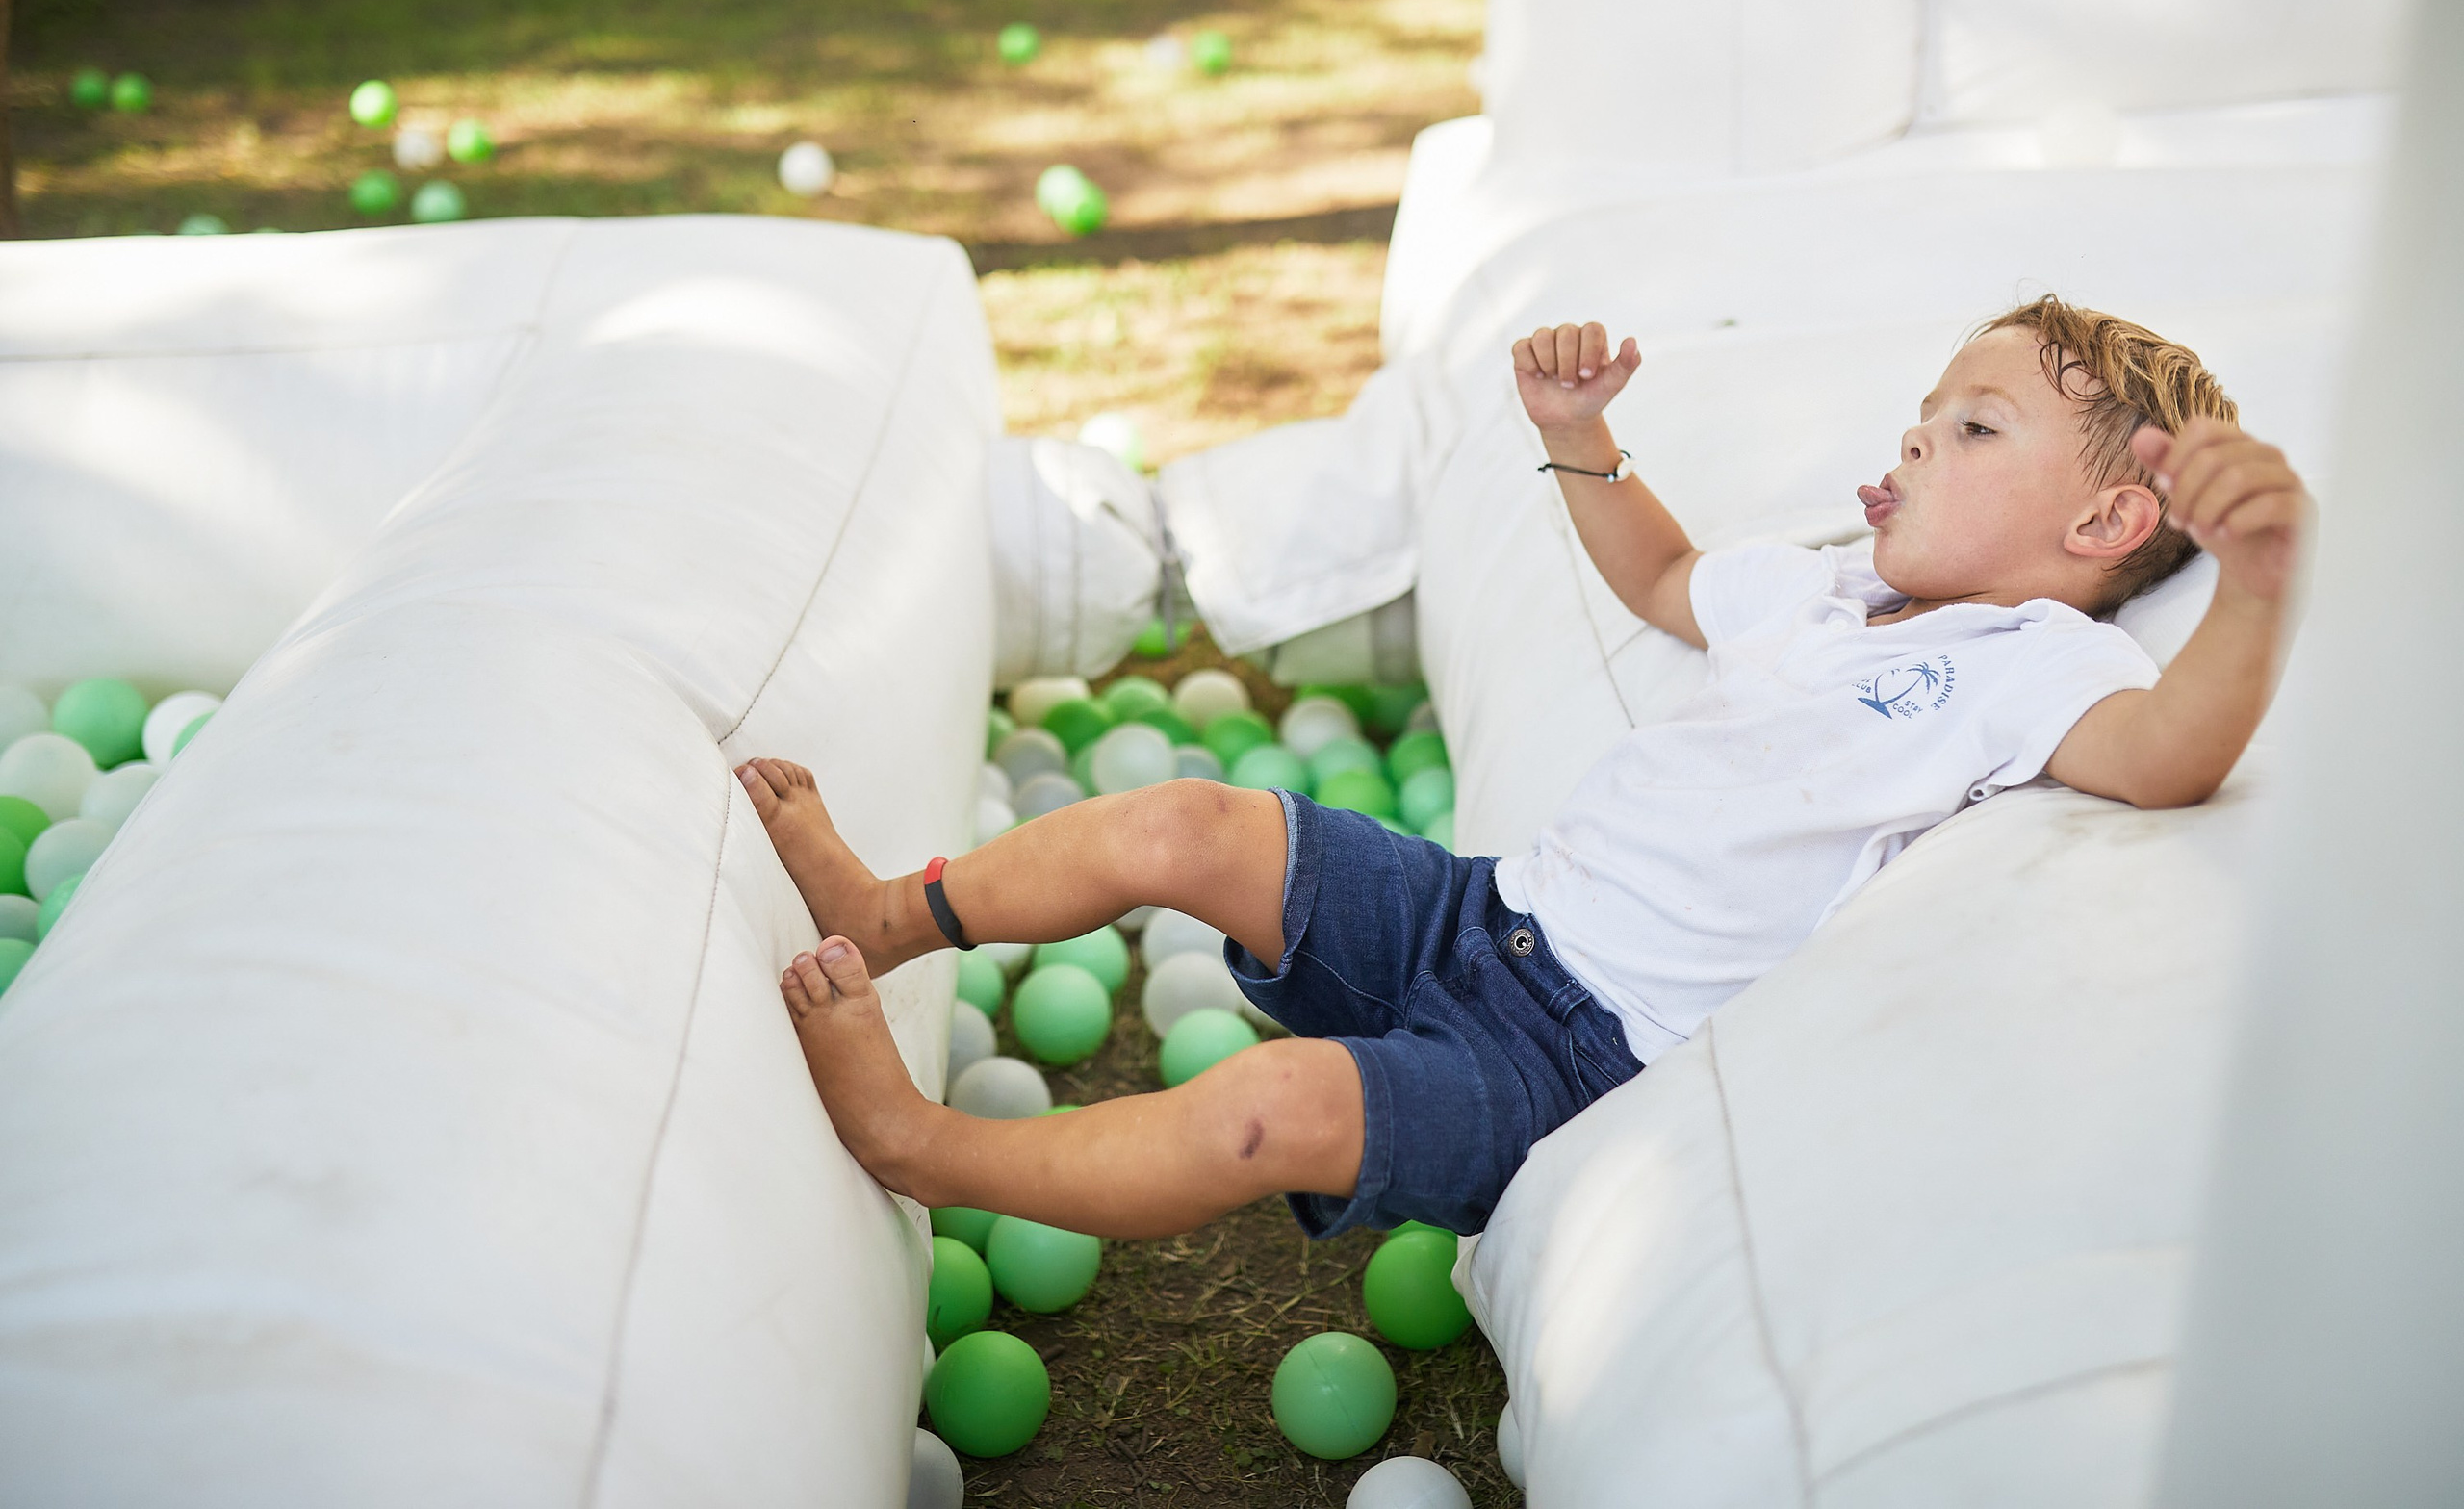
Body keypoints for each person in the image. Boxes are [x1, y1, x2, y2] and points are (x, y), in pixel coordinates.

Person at [735, 294, 2309, 1240]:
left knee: (1266, 1103)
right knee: (1187, 816)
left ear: (2104, 530)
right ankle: (891, 915)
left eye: (1969, 431)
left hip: (1570, 1063)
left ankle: (923, 1149)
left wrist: (2250, 583)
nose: (1907, 447)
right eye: (1919, 416)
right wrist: (1577, 434)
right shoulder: (1825, 587)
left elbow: (2170, 757)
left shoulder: (2041, 669)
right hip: (1479, 912)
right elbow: (1660, 578)